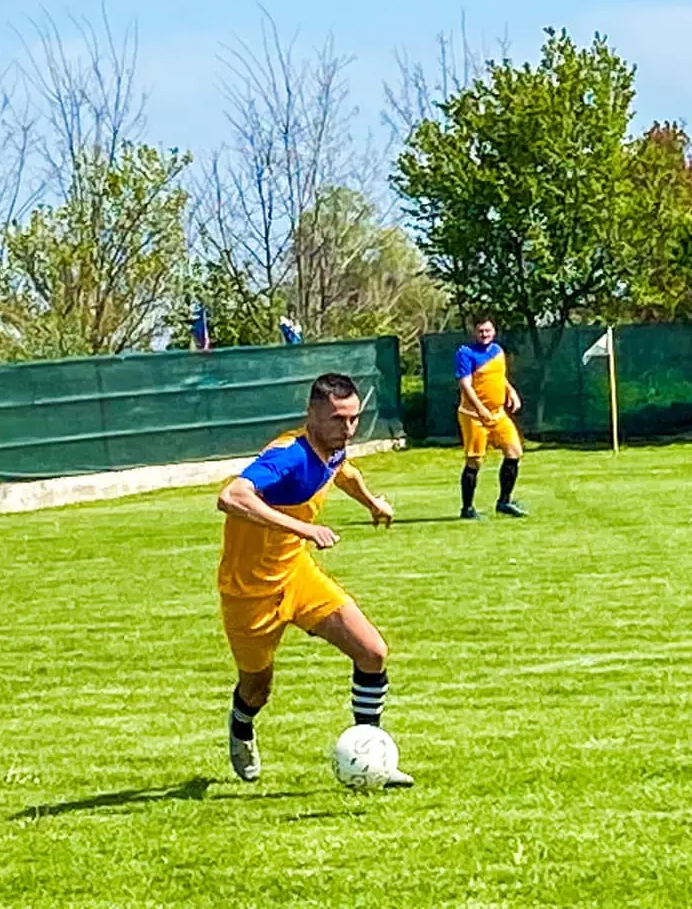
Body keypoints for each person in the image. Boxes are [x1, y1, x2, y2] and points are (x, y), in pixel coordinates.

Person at [216, 373, 411, 787]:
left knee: (372, 652)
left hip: (297, 574)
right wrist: (304, 529)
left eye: (354, 418)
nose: (348, 428)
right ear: (312, 414)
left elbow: (344, 473)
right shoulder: (288, 455)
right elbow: (232, 496)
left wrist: (372, 503)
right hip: (249, 591)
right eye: (338, 419)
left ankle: (371, 755)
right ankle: (241, 724)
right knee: (257, 688)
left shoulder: (333, 448)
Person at [454, 316, 527, 519]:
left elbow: (499, 377)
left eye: (488, 330)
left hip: (498, 414)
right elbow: (465, 385)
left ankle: (504, 501)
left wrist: (511, 392)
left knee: (514, 452)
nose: (484, 334)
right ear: (474, 332)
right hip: (473, 416)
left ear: (494, 331)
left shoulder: (497, 351)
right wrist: (480, 409)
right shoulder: (465, 353)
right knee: (474, 461)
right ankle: (467, 509)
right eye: (481, 331)